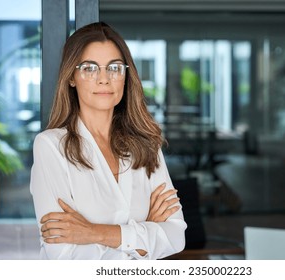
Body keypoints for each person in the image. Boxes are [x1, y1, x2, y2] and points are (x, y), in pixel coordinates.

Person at [30, 21, 187, 260]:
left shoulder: (147, 144)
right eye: (90, 68)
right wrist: (146, 233)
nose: (104, 79)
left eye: (114, 68)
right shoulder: (51, 146)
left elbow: (175, 237)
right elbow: (63, 254)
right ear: (72, 77)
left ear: (125, 76)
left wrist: (93, 233)